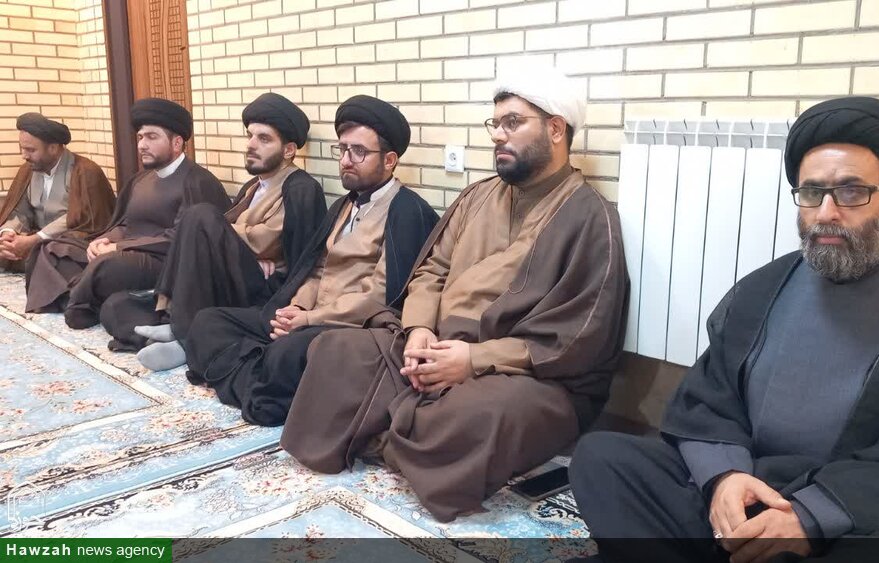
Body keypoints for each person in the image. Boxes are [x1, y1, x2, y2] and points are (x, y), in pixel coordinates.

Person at [568, 96, 879, 563]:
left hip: (844, 522)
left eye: (851, 192)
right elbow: (709, 400)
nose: (827, 212)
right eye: (812, 192)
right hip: (749, 487)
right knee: (603, 459)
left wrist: (811, 516)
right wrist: (724, 478)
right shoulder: (763, 289)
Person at [279, 64, 630, 523]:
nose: (498, 135)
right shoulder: (476, 197)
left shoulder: (590, 217)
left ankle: (385, 427)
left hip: (521, 374)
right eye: (495, 123)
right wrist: (419, 330)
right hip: (434, 344)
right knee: (334, 350)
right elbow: (432, 271)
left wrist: (472, 360)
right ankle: (410, 434)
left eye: (513, 122)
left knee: (482, 415)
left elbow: (578, 338)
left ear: (556, 129)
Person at [183, 95, 439, 426]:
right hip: (311, 315)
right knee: (208, 323)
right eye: (342, 149)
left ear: (389, 160)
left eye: (358, 151)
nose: (345, 160)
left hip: (349, 326)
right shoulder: (343, 205)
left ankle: (253, 376)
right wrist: (297, 308)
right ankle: (262, 378)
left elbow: (380, 296)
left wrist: (310, 319)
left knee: (285, 353)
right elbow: (316, 269)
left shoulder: (406, 212)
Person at [96, 93, 326, 369]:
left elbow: (267, 240)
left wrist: (234, 241)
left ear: (288, 150)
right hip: (234, 276)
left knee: (200, 215)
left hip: (265, 291)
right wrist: (241, 248)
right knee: (115, 305)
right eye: (250, 136)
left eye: (264, 139)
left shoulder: (301, 188)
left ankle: (183, 335)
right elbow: (236, 238)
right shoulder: (253, 186)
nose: (251, 145)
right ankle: (174, 332)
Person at [24, 98, 230, 328]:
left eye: (152, 137)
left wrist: (118, 248)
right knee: (53, 249)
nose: (142, 145)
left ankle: (77, 298)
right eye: (140, 137)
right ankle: (84, 295)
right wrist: (104, 240)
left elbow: (181, 239)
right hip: (126, 253)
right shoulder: (140, 180)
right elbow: (124, 223)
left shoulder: (197, 182)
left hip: (164, 262)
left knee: (107, 265)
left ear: (177, 143)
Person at [0, 113, 115, 272]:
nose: (24, 156)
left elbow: (84, 218)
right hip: (37, 237)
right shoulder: (28, 170)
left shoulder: (85, 171)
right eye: (22, 149)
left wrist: (37, 239)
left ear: (53, 148)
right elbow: (20, 211)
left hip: (72, 239)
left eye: (30, 150)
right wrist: (9, 234)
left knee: (58, 252)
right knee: (8, 248)